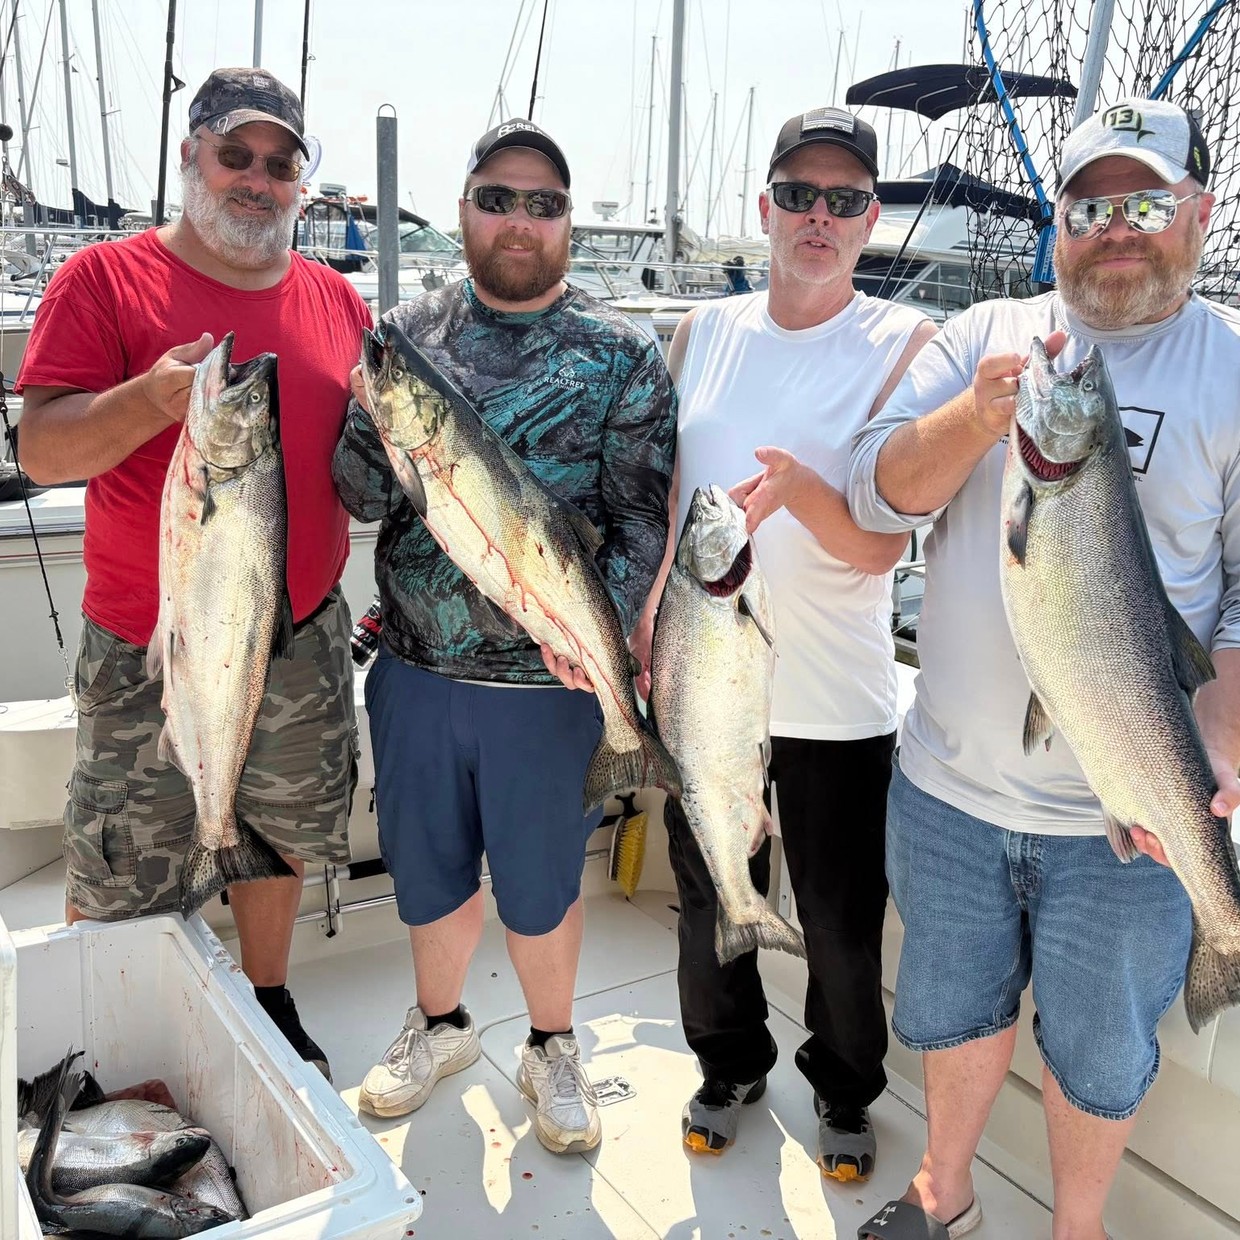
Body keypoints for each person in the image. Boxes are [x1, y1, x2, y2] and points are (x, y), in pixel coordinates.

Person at [847, 98, 1240, 1239]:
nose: (1115, 228)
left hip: (1132, 806)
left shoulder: (1232, 370)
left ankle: (1078, 1230)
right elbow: (879, 490)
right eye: (1088, 205)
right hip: (953, 787)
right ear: (1057, 220)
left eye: (1144, 202)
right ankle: (945, 1193)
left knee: (1099, 1045)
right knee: (952, 1007)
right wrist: (976, 416)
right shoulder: (983, 338)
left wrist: (1215, 751)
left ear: (1198, 214)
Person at [15, 67, 371, 1083]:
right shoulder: (101, 281)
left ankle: (266, 994)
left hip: (298, 633)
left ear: (300, 182)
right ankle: (96, 1033)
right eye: (236, 156)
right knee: (123, 849)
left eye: (279, 164)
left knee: (281, 829)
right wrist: (151, 401)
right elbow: (42, 449)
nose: (257, 181)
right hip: (147, 638)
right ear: (190, 156)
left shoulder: (336, 297)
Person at [331, 118, 677, 1155]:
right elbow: (352, 487)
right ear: (464, 208)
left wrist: (594, 637)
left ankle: (552, 1043)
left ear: (568, 221)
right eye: (498, 196)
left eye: (543, 202)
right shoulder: (404, 338)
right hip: (416, 670)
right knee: (427, 869)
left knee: (540, 881)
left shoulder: (620, 353)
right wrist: (369, 420)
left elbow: (643, 515)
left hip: (550, 685)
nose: (519, 219)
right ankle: (438, 1027)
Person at [630, 106, 935, 1178]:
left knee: (844, 925)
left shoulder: (906, 345)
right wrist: (645, 643)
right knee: (710, 893)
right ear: (763, 208)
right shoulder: (700, 332)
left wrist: (800, 495)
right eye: (798, 194)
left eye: (844, 199)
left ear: (870, 221)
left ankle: (845, 1088)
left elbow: (876, 549)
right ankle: (728, 1062)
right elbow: (670, 510)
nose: (818, 214)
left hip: (837, 699)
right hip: (705, 687)